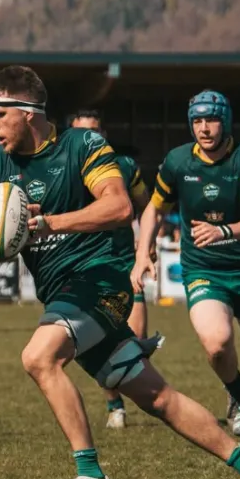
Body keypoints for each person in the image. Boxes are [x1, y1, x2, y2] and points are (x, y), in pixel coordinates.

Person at [0, 67, 240, 479]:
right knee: (156, 398)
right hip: (61, 293)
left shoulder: (82, 146)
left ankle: (91, 474)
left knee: (39, 357)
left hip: (102, 280)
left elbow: (118, 205)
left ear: (28, 113)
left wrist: (48, 222)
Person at [132, 91, 240, 461]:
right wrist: (144, 251)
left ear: (225, 121)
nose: (204, 129)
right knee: (217, 345)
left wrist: (225, 232)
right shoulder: (177, 161)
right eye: (197, 121)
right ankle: (236, 392)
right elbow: (154, 209)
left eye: (211, 120)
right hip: (203, 269)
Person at [70, 109, 152, 431]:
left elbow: (146, 208)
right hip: (88, 267)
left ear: (103, 134)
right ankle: (114, 405)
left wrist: (147, 246)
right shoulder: (65, 172)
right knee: (101, 344)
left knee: (137, 339)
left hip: (125, 264)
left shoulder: (126, 167)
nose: (89, 138)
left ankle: (128, 395)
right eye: (81, 132)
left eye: (94, 131)